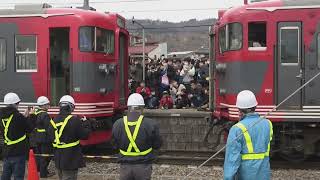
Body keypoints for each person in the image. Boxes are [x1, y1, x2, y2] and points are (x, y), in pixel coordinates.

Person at [224, 90, 273, 180]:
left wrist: (228, 177)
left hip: (246, 175)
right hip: (264, 174)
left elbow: (232, 159)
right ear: (255, 106)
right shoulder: (268, 124)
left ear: (239, 110)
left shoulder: (237, 129)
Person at [112, 93, 162, 180]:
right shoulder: (150, 124)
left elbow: (114, 145)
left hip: (125, 166)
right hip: (143, 166)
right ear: (141, 108)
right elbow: (157, 144)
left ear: (128, 108)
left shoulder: (118, 124)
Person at [48, 95, 91, 180]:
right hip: (71, 158)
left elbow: (51, 137)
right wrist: (86, 123)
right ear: (71, 107)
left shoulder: (53, 121)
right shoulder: (74, 120)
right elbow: (85, 136)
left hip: (58, 158)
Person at [0, 92, 36, 180]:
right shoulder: (18, 117)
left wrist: (24, 117)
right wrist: (32, 116)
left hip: (7, 151)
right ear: (15, 104)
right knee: (18, 177)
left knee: (5, 176)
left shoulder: (2, 115)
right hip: (18, 152)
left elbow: (12, 127)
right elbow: (30, 128)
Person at [34, 96, 55, 178]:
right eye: (47, 104)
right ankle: (44, 174)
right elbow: (49, 128)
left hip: (38, 138)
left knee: (40, 155)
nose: (49, 105)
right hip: (45, 139)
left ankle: (39, 170)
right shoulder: (45, 115)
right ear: (43, 105)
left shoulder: (36, 113)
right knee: (45, 156)